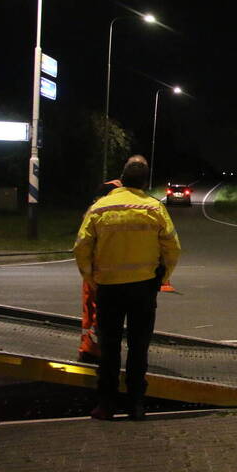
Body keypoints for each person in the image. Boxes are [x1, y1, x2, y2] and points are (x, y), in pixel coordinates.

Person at [73, 159, 181, 421]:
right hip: (143, 288)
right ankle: (136, 404)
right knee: (138, 347)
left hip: (108, 288)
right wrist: (162, 276)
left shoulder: (100, 207)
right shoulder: (154, 208)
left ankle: (106, 404)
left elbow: (82, 246)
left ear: (121, 178)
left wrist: (91, 278)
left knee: (109, 348)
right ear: (144, 183)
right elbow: (172, 248)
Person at [77, 155, 150, 364]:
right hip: (105, 266)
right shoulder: (109, 190)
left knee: (102, 315)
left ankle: (98, 353)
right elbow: (88, 221)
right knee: (96, 312)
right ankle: (91, 351)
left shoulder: (137, 197)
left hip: (110, 268)